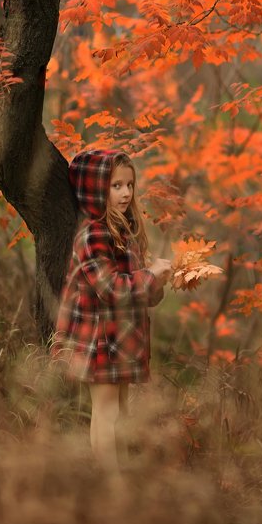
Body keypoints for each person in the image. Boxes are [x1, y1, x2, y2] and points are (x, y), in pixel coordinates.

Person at [52, 149, 172, 473]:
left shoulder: (123, 231)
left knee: (120, 411)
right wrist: (150, 277)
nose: (125, 193)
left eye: (129, 185)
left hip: (120, 338)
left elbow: (136, 291)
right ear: (96, 189)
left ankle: (122, 475)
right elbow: (111, 289)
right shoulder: (94, 233)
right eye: (116, 185)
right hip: (98, 338)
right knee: (105, 411)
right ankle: (110, 484)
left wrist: (157, 282)